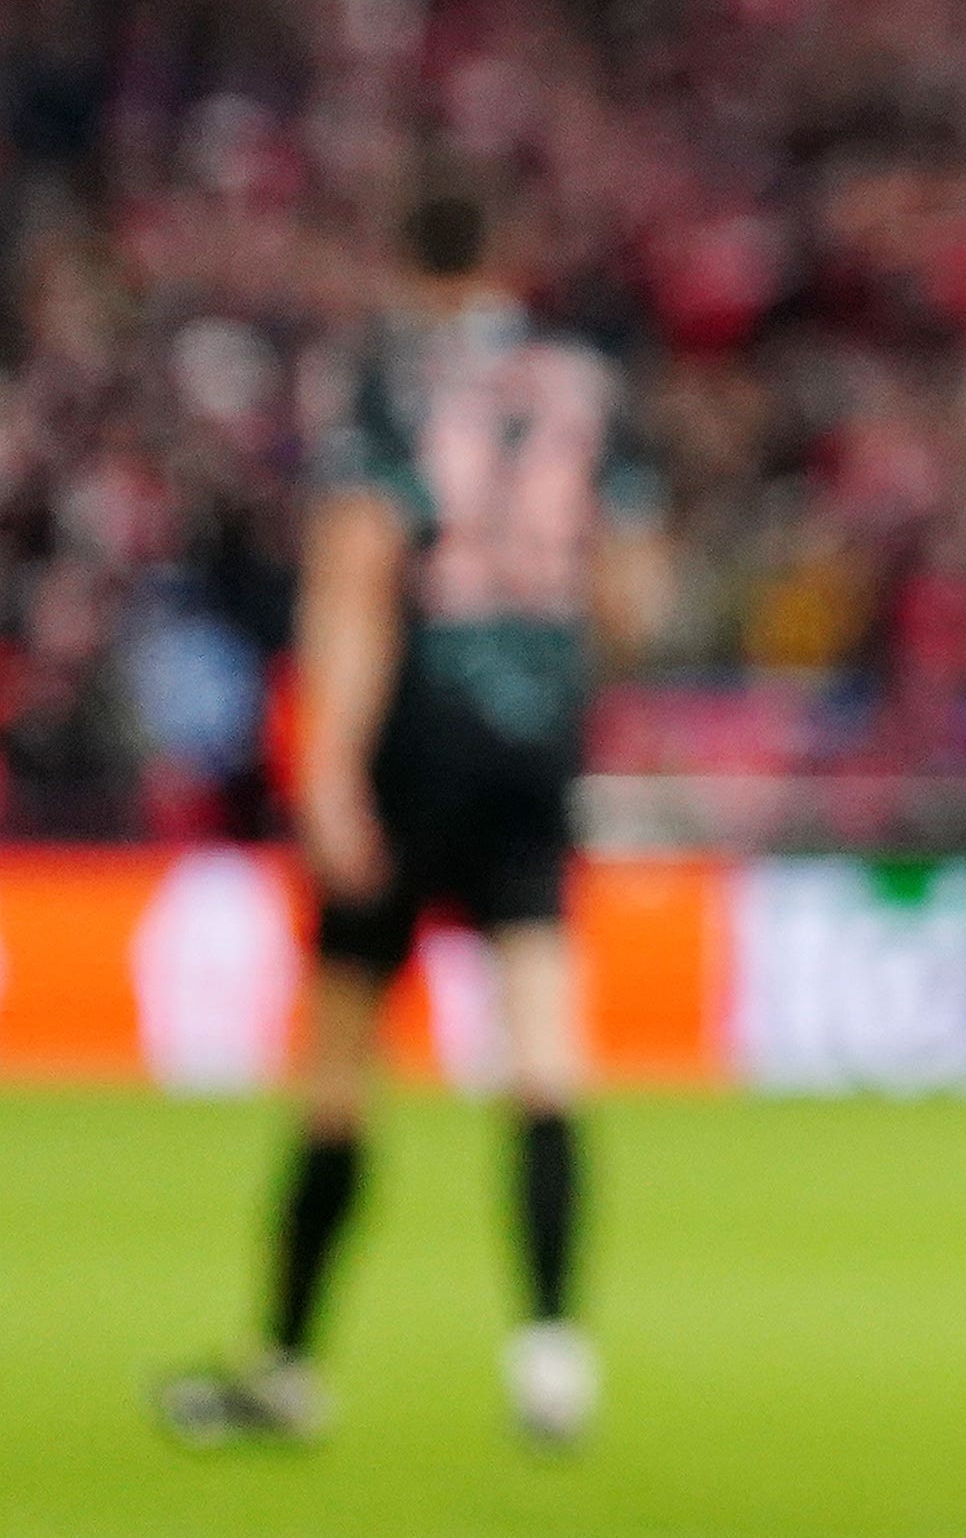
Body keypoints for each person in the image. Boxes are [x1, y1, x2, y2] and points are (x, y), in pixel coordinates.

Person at [157, 179, 661, 1455]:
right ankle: (553, 1357)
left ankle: (285, 1365)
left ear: (406, 264)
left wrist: (326, 775)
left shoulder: (384, 381)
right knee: (543, 1050)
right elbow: (637, 598)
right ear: (505, 256)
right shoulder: (583, 385)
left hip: (411, 741)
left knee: (339, 1069)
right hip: (535, 745)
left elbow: (354, 579)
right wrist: (554, 677)